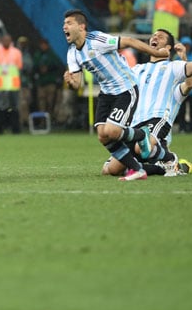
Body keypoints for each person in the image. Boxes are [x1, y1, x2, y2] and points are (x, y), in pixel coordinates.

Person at [62, 9, 169, 181]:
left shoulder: (96, 40)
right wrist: (70, 82)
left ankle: (141, 135)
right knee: (103, 136)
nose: (64, 27)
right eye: (64, 24)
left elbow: (130, 41)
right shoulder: (72, 53)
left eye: (69, 23)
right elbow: (78, 83)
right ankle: (138, 169)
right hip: (107, 93)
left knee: (112, 131)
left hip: (125, 88)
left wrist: (156, 53)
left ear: (81, 27)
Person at [101, 26, 192, 178]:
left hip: (155, 121)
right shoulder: (136, 69)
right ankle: (168, 167)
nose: (154, 38)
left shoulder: (172, 68)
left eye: (160, 37)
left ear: (168, 47)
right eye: (153, 36)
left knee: (140, 147)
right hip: (134, 124)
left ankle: (170, 160)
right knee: (110, 170)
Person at [0, 34, 23, 134]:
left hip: (13, 85)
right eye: (4, 40)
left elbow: (19, 68)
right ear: (1, 41)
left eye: (8, 40)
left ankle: (15, 129)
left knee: (14, 107)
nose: (6, 42)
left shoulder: (16, 52)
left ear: (11, 41)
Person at [175, 36, 192, 133]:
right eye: (184, 45)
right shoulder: (176, 57)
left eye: (188, 45)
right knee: (182, 110)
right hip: (182, 88)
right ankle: (182, 128)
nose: (186, 47)